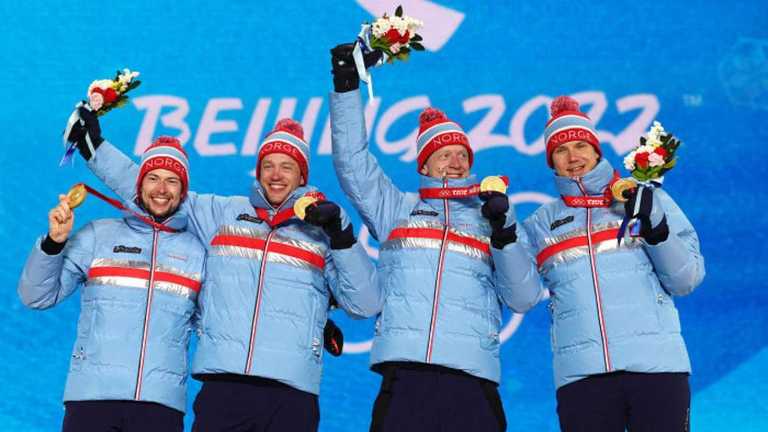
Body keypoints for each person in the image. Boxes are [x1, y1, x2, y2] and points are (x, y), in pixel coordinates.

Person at [67, 109, 382, 431]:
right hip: (224, 388)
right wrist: (94, 148)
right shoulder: (221, 214)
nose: (276, 175)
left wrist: (342, 236)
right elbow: (158, 189)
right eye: (268, 166)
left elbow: (365, 304)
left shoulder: (323, 230)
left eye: (287, 167)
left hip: (293, 392)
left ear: (302, 176)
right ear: (257, 172)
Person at [329, 44, 545, 432]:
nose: (456, 161)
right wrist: (346, 88)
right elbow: (352, 162)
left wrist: (504, 236)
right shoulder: (395, 208)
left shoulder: (495, 214)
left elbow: (524, 297)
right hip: (406, 373)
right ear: (424, 164)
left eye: (462, 154)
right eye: (444, 154)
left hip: (472, 377)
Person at [522, 96, 705, 431]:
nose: (573, 157)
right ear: (552, 161)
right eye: (561, 150)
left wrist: (657, 230)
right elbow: (520, 294)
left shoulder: (646, 198)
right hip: (582, 377)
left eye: (581, 145)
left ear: (597, 150)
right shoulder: (539, 224)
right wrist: (503, 239)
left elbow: (686, 278)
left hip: (657, 369)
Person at [18, 138, 206, 432]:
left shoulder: (198, 253)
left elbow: (214, 326)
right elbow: (36, 296)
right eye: (153, 178)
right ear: (139, 185)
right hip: (92, 399)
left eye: (172, 181)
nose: (161, 189)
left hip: (161, 406)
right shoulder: (98, 235)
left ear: (183, 192)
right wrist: (54, 243)